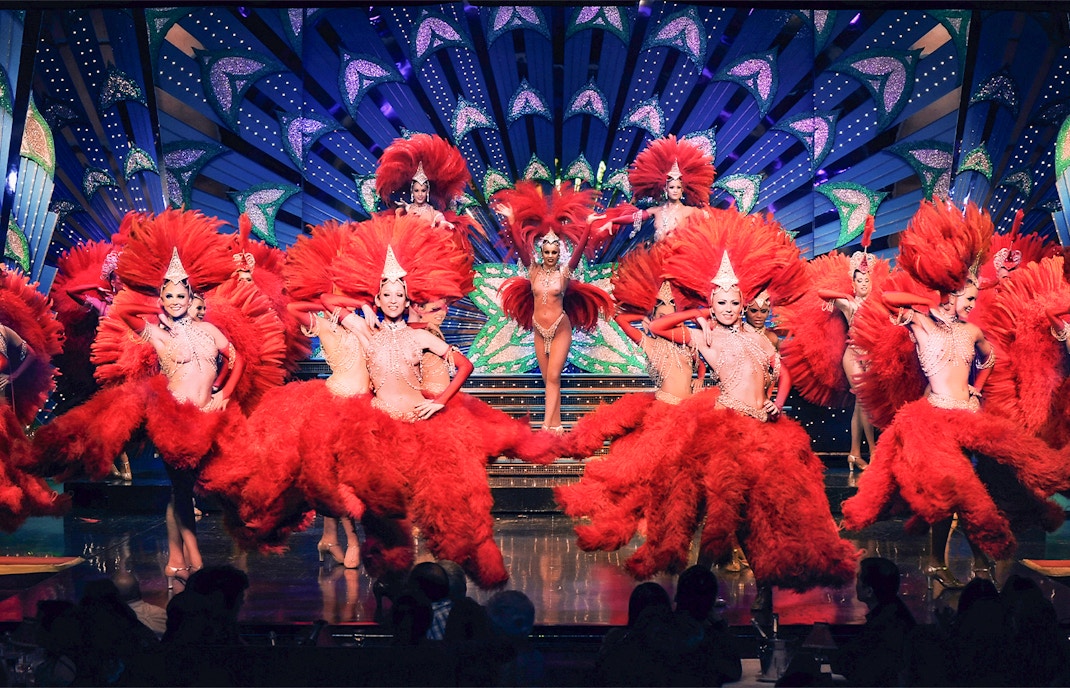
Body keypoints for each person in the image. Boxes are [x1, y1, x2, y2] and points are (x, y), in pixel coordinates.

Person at [842, 200, 1070, 588]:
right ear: (948, 294)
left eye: (972, 300)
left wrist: (977, 390)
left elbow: (990, 358)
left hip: (968, 416)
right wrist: (931, 295)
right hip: (933, 418)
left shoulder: (971, 333)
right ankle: (936, 561)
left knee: (980, 486)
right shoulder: (920, 324)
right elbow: (889, 301)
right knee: (949, 493)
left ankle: (980, 561)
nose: (971, 305)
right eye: (966, 299)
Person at [494, 180, 613, 431]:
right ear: (541, 253)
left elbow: (579, 251)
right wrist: (513, 219)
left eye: (554, 253)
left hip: (560, 328)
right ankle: (556, 427)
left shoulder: (564, 274)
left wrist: (589, 227)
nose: (550, 256)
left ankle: (546, 428)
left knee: (553, 376)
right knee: (547, 379)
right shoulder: (533, 271)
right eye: (546, 252)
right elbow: (518, 245)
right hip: (539, 329)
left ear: (559, 254)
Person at [592, 135, 715, 244]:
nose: (675, 190)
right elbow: (633, 217)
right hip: (655, 259)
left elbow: (714, 222)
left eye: (678, 187)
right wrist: (613, 221)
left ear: (683, 189)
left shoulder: (689, 211)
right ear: (665, 189)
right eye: (672, 187)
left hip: (676, 261)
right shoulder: (656, 211)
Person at [830, 557, 915, 686]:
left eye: (858, 578)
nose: (855, 583)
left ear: (869, 591)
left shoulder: (883, 625)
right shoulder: (894, 611)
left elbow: (856, 667)